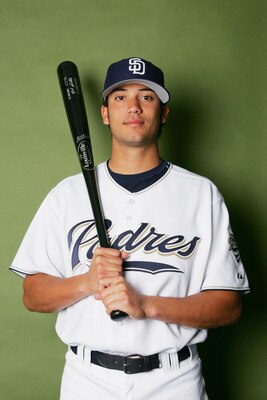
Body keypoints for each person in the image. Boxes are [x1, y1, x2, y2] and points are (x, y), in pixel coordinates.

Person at [10, 57, 250, 400]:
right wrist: (87, 282)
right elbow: (32, 295)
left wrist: (146, 305)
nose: (133, 106)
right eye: (120, 97)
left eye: (147, 96)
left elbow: (228, 305)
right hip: (86, 380)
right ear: (105, 113)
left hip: (175, 380)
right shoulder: (67, 194)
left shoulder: (201, 194)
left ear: (163, 113)